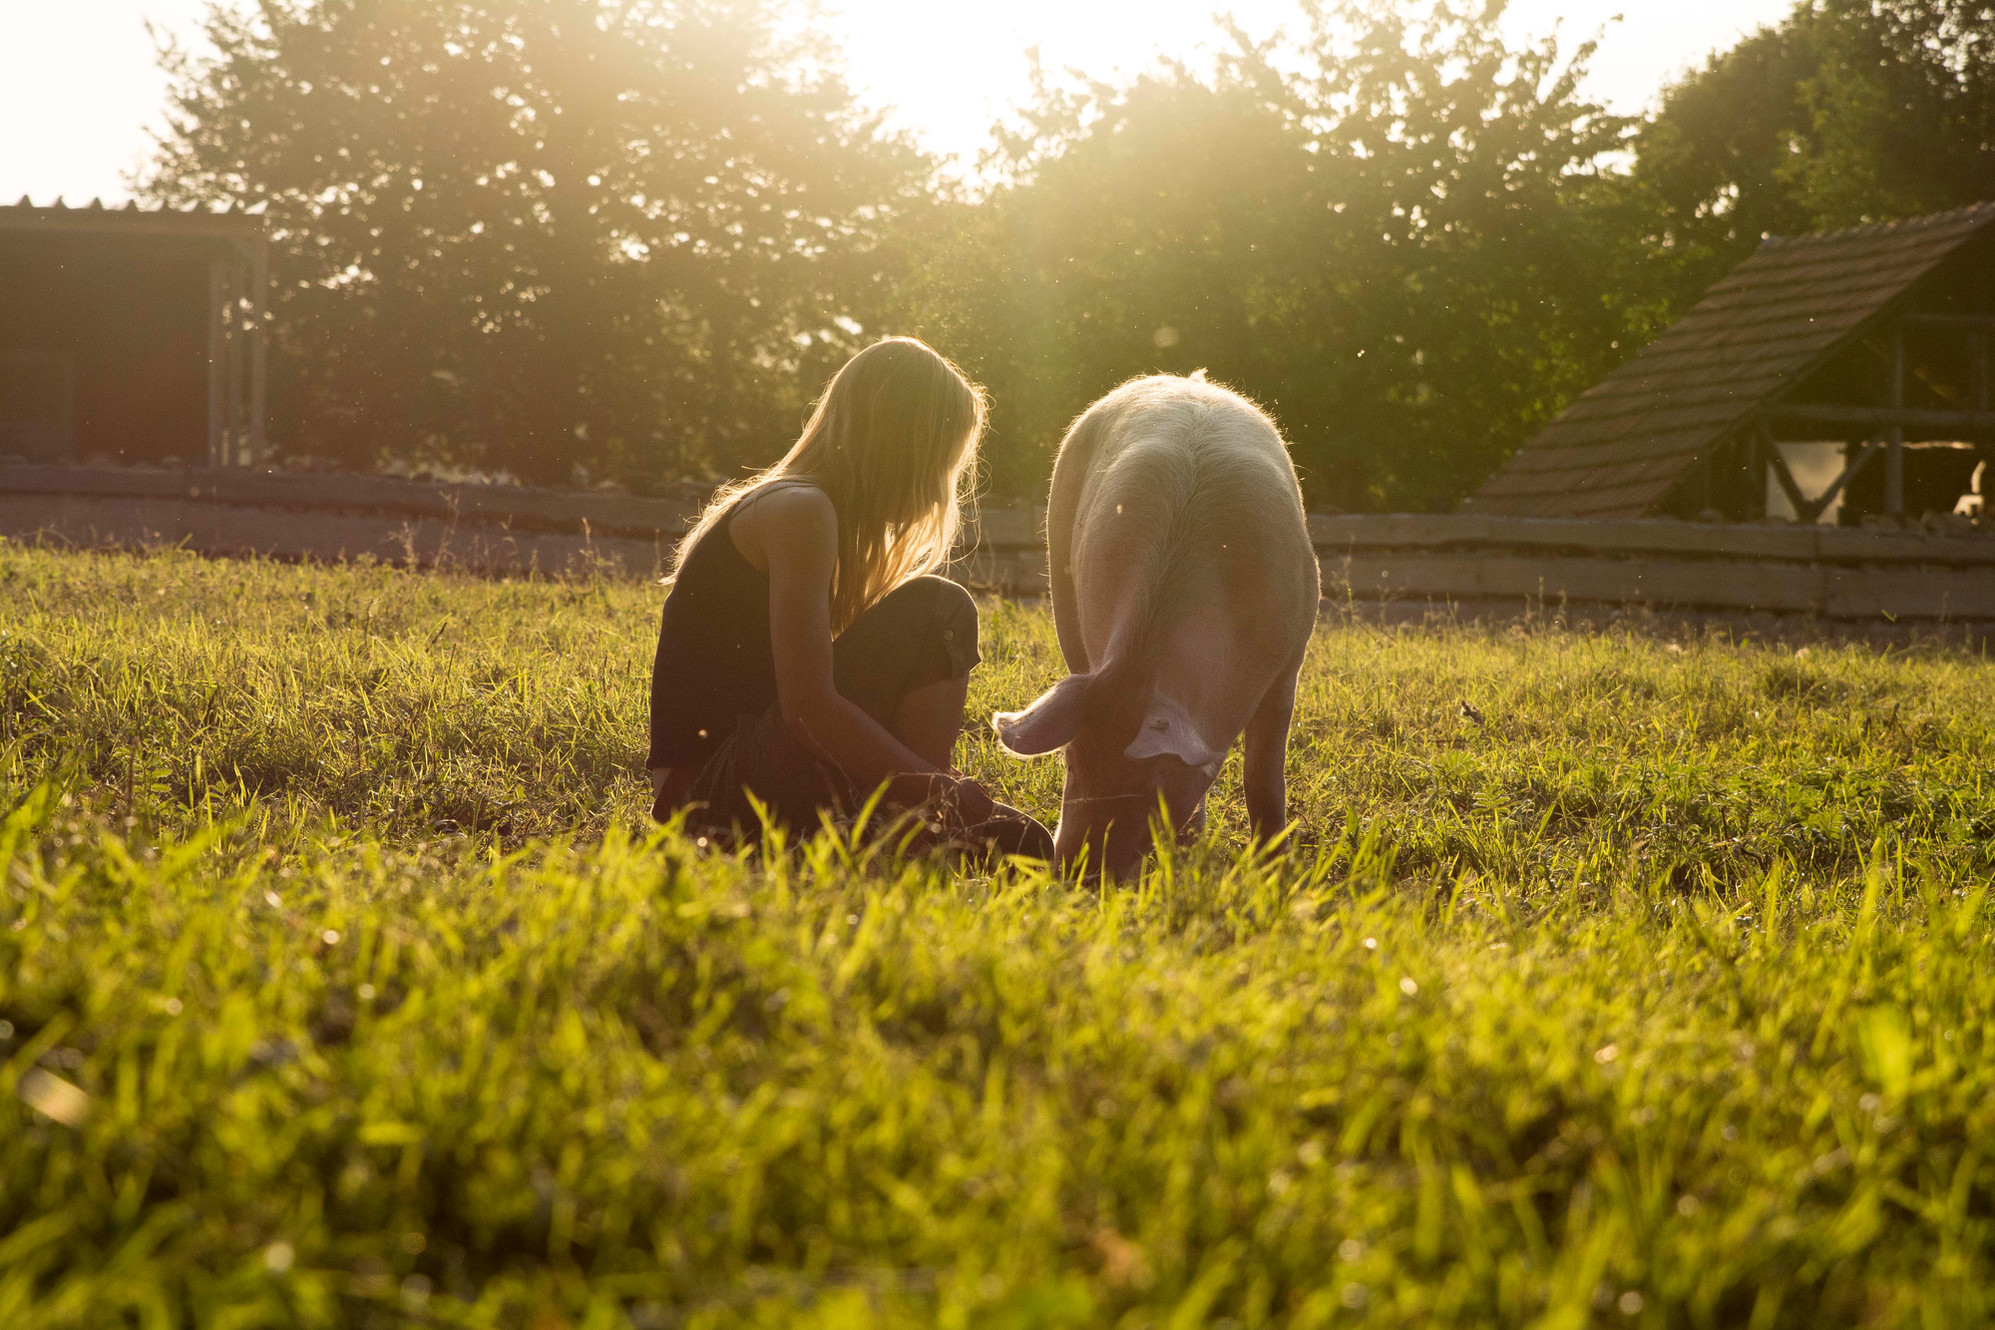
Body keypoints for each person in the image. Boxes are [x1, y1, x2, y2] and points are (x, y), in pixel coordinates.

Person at [647, 337, 1054, 860]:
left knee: (1026, 843)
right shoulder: (800, 510)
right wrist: (939, 788)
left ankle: (905, 823)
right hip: (706, 799)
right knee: (939, 608)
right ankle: (914, 819)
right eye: (937, 463)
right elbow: (809, 707)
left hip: (736, 777)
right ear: (900, 445)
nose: (935, 490)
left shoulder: (807, 511)